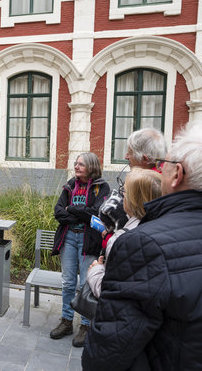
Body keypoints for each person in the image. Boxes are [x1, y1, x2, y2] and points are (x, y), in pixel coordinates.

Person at [83, 121, 202, 370]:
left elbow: (107, 353)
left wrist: (95, 271)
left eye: (165, 165)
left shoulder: (143, 242)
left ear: (177, 174)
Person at [50, 152, 110, 347]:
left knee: (86, 283)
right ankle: (66, 321)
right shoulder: (69, 185)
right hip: (68, 238)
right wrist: (81, 215)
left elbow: (97, 213)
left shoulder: (102, 187)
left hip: (88, 241)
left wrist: (72, 210)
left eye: (81, 164)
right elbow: (58, 212)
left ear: (91, 167)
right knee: (68, 282)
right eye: (75, 163)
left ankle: (85, 325)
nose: (76, 167)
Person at [86, 168, 162, 298]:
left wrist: (96, 270)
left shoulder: (121, 239)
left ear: (133, 200)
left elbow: (108, 291)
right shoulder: (165, 226)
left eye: (124, 192)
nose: (121, 196)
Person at [100, 128, 167, 233]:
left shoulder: (148, 184)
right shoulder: (167, 177)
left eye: (130, 152)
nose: (126, 157)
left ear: (145, 159)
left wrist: (111, 236)